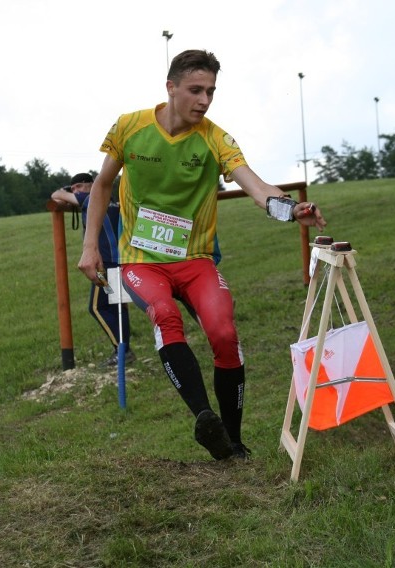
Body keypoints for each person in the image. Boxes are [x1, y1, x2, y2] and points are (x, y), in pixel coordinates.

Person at [77, 49, 326, 460]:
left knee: (225, 335)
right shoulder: (129, 127)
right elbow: (102, 185)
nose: (205, 100)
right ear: (170, 88)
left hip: (195, 261)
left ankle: (233, 440)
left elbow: (256, 186)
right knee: (165, 315)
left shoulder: (215, 138)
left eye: (211, 91)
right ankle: (205, 419)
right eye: (196, 90)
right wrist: (90, 247)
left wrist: (290, 208)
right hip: (142, 261)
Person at [51, 173, 134, 367]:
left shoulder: (90, 197)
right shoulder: (111, 200)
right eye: (73, 188)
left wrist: (64, 192)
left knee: (97, 307)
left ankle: (122, 350)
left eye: (79, 186)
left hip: (104, 264)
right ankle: (123, 349)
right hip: (120, 260)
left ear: (92, 185)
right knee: (118, 307)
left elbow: (56, 195)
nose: (76, 191)